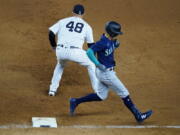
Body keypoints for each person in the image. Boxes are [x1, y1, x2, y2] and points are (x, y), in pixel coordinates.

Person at [69, 21, 153, 123]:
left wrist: (115, 46)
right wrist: (97, 63)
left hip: (102, 73)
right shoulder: (102, 42)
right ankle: (138, 116)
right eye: (117, 33)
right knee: (124, 93)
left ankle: (75, 101)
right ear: (113, 33)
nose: (118, 34)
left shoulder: (110, 40)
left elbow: (107, 50)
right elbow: (89, 52)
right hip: (106, 74)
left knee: (101, 96)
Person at [48, 4, 99, 96]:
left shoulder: (62, 21)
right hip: (76, 52)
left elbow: (51, 33)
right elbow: (91, 45)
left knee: (60, 65)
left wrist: (53, 46)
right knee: (91, 64)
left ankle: (52, 90)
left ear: (72, 12)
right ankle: (97, 90)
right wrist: (94, 59)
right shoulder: (87, 26)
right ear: (83, 14)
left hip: (60, 51)